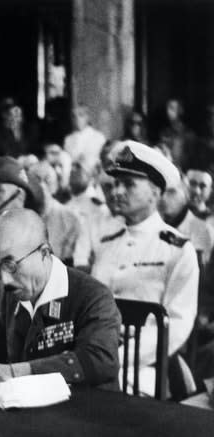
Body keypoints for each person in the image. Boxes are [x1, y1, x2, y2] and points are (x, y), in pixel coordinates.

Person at [0, 208, 120, 389]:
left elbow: (101, 361)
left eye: (11, 265)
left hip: (85, 409)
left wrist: (15, 372)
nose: (4, 279)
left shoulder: (93, 296)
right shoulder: (16, 293)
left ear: (44, 253)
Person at [92, 140, 199, 396]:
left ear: (155, 192)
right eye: (116, 183)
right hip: (97, 359)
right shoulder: (106, 244)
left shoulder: (177, 250)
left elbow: (176, 324)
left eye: (128, 184)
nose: (117, 191)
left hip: (145, 370)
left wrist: (116, 357)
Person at [27, 161, 82, 265]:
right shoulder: (24, 215)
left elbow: (67, 262)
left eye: (34, 183)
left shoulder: (69, 219)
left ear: (48, 185)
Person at [159, 177, 214, 266]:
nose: (165, 197)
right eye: (163, 191)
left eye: (172, 191)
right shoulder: (151, 223)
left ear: (185, 195)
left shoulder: (203, 231)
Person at [63, 105, 106, 173]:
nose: (77, 119)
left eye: (81, 115)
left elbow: (102, 161)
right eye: (74, 116)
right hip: (73, 177)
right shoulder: (68, 140)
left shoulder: (99, 137)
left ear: (88, 117)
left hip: (93, 176)